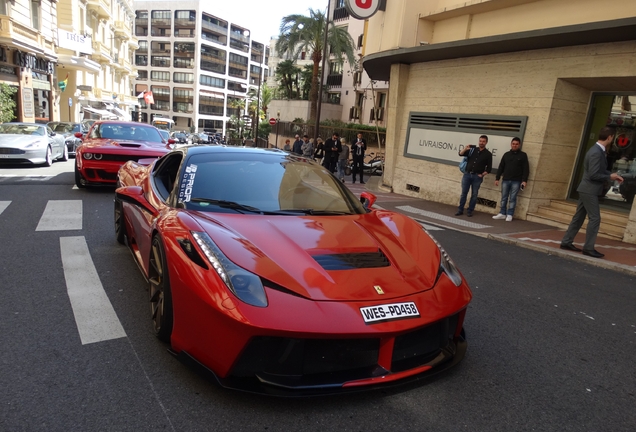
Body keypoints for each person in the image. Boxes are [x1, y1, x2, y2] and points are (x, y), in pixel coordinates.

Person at [560, 127, 624, 258]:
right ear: (610, 137)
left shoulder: (596, 150)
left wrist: (611, 174)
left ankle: (566, 242)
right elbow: (594, 174)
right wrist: (609, 177)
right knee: (595, 218)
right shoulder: (596, 152)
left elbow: (596, 171)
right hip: (589, 189)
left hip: (586, 189)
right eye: (613, 137)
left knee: (578, 218)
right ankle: (588, 248)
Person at [492, 137, 530, 222]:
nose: (515, 145)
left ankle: (510, 214)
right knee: (504, 197)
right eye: (513, 144)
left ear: (519, 145)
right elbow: (501, 167)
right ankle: (502, 213)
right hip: (506, 179)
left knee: (512, 198)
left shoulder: (523, 155)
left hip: (516, 181)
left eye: (516, 144)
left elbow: (526, 169)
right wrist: (497, 178)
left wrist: (524, 180)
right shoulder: (506, 155)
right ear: (511, 144)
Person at [456, 135, 493, 217]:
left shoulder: (488, 154)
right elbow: (460, 154)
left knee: (474, 194)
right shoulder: (472, 150)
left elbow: (489, 168)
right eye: (480, 141)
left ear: (486, 142)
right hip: (467, 174)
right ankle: (460, 209)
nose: (481, 143)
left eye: (483, 141)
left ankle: (470, 210)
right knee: (464, 193)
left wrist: (482, 175)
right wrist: (466, 148)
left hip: (477, 177)